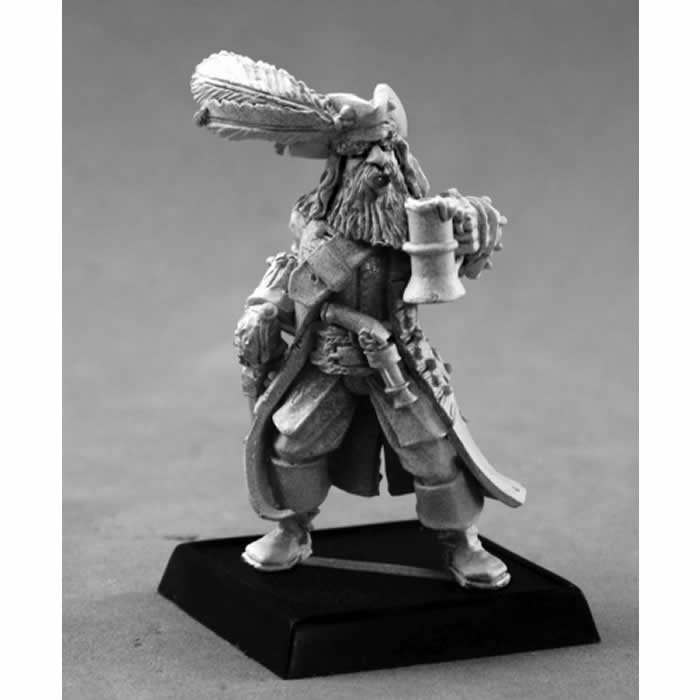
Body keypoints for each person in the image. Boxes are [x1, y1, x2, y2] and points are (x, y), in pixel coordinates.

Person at [191, 51, 526, 589]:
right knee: (293, 444)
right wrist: (261, 310)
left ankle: (460, 539)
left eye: (386, 152)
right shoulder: (315, 225)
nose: (377, 165)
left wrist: (471, 225)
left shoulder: (422, 220)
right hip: (327, 359)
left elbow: (465, 248)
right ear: (338, 165)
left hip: (398, 359)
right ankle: (293, 528)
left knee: (434, 451)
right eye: (361, 154)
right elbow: (290, 276)